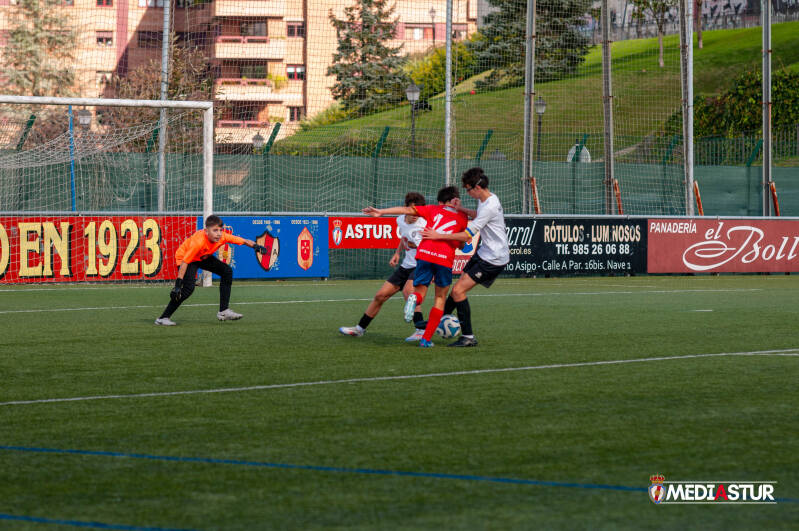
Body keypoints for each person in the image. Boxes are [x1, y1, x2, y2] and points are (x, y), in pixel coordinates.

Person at [363, 186, 469, 348]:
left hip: (424, 254)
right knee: (440, 299)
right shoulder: (462, 216)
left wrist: (381, 212)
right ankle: (425, 339)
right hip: (443, 258)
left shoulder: (432, 209)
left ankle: (414, 299)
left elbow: (406, 210)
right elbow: (462, 242)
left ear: (440, 201)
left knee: (419, 293)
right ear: (456, 200)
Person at [422, 167, 510, 347]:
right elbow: (479, 215)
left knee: (458, 291)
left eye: (468, 189)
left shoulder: (490, 205)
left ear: (477, 187)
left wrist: (438, 235)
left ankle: (468, 337)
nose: (467, 193)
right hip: (484, 252)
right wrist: (460, 208)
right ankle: (437, 320)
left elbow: (466, 235)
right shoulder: (488, 198)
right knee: (457, 288)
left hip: (493, 259)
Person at [339, 193, 428, 341]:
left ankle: (421, 330)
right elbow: (404, 237)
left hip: (421, 264)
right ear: (406, 208)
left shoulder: (423, 224)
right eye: (412, 210)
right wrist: (397, 253)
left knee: (409, 293)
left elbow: (428, 247)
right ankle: (359, 329)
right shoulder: (400, 220)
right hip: (405, 266)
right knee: (380, 296)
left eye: (418, 211)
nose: (415, 214)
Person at [155, 215, 266, 325]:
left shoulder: (223, 237)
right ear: (206, 231)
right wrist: (178, 285)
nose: (218, 233)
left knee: (227, 271)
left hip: (203, 256)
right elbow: (185, 262)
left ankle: (223, 311)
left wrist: (256, 246)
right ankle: (163, 318)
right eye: (215, 230)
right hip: (185, 259)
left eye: (220, 230)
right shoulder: (198, 242)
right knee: (188, 289)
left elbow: (244, 241)